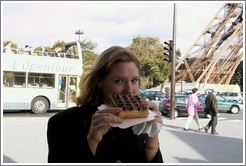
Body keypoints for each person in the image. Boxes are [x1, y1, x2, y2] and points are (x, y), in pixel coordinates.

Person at [47, 46, 164, 163]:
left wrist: (152, 135)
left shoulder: (141, 122)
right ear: (99, 81)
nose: (129, 90)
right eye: (119, 81)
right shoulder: (63, 122)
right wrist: (92, 140)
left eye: (134, 80)